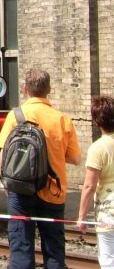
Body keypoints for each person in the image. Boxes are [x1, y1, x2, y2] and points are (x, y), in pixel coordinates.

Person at [0, 69, 82, 269]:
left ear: (25, 90)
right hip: (53, 190)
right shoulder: (62, 119)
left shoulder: (15, 115)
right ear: (49, 90)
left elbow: (4, 155)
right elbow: (76, 159)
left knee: (21, 247)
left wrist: (6, 183)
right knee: (54, 249)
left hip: (20, 188)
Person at [76, 95, 114, 268]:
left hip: (109, 212)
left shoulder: (97, 148)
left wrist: (82, 217)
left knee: (109, 261)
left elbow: (90, 186)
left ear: (97, 121)